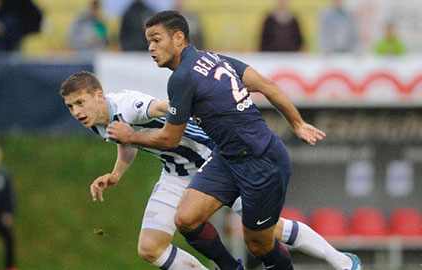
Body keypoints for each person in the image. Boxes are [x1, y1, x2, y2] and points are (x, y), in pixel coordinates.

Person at [104, 10, 349, 270]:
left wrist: (132, 136)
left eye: (156, 39)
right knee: (187, 219)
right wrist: (296, 124)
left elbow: (170, 138)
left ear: (178, 38)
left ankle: (339, 260)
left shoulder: (182, 77)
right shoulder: (213, 58)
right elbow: (266, 84)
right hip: (227, 157)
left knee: (260, 245)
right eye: (148, 42)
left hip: (261, 161)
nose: (150, 48)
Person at [61, 71, 361, 270]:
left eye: (80, 103)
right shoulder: (96, 120)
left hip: (214, 162)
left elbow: (161, 107)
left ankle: (343, 262)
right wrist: (116, 174)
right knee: (150, 248)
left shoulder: (128, 104)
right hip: (175, 172)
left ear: (99, 95)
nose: (76, 111)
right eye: (70, 107)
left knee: (268, 231)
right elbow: (126, 140)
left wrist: (196, 111)